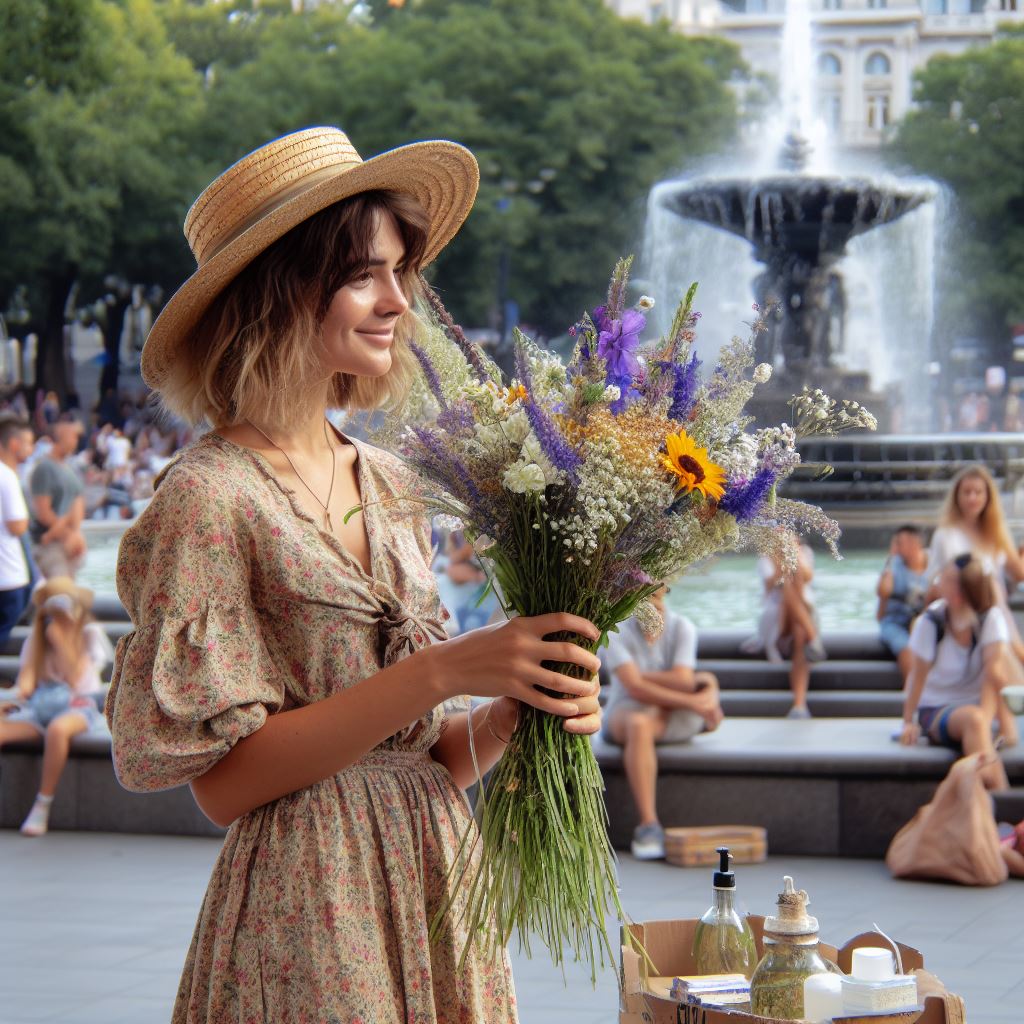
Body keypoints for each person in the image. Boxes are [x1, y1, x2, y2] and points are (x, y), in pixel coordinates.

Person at [105, 127, 603, 1023]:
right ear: (283, 288)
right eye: (366, 274)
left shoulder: (396, 483)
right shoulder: (210, 497)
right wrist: (443, 670)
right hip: (308, 906)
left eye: (402, 273)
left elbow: (425, 760)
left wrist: (512, 701)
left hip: (438, 880)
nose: (399, 304)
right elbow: (224, 788)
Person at [602, 585, 723, 860]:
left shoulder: (682, 627)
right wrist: (696, 697)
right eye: (642, 593)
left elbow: (680, 679)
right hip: (629, 710)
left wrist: (638, 676)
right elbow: (635, 688)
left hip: (672, 713)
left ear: (667, 590)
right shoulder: (616, 629)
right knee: (639, 723)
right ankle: (648, 824)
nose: (650, 600)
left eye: (656, 593)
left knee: (648, 717)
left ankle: (702, 700)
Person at [0, 578, 113, 835]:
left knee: (58, 730)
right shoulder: (36, 640)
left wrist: (63, 642)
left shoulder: (88, 635)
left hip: (79, 706)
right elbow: (26, 686)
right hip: (40, 707)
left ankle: (43, 803)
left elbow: (78, 683)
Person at [926, 465, 1023, 744]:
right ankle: (1000, 730)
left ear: (987, 497)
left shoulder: (995, 534)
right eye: (966, 492)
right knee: (999, 659)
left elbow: (1018, 571)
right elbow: (935, 580)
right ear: (957, 496)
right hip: (962, 614)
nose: (972, 498)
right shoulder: (946, 534)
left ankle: (1001, 730)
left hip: (994, 614)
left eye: (978, 492)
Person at [900, 554, 1011, 790]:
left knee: (977, 725)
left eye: (947, 579)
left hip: (977, 711)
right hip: (936, 709)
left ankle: (997, 814)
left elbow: (994, 675)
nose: (939, 581)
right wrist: (908, 721)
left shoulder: (991, 619)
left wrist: (995, 720)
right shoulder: (931, 622)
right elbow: (917, 677)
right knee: (975, 721)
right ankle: (1005, 814)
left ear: (961, 591)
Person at [743, 540, 826, 718]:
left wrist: (794, 555)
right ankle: (814, 640)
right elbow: (770, 584)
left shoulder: (804, 552)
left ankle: (799, 705)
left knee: (800, 632)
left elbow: (807, 576)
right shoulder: (766, 558)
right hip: (775, 619)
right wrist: (783, 563)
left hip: (800, 619)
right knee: (787, 582)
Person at [28, 418, 87, 579]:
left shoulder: (68, 467)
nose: (76, 440)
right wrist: (69, 535)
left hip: (67, 543)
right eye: (72, 436)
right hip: (52, 546)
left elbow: (75, 503)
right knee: (59, 596)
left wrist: (76, 535)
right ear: (60, 436)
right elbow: (43, 512)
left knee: (67, 595)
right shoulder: (45, 468)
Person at [877, 525, 930, 683]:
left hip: (925, 622)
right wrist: (891, 558)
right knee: (907, 648)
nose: (898, 547)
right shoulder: (895, 564)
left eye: (902, 543)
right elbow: (884, 591)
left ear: (916, 543)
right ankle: (913, 692)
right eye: (897, 543)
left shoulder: (933, 563)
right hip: (896, 622)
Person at [0, 417, 35, 644]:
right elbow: (18, 525)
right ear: (14, 444)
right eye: (28, 442)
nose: (31, 449)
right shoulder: (7, 475)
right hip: (8, 576)